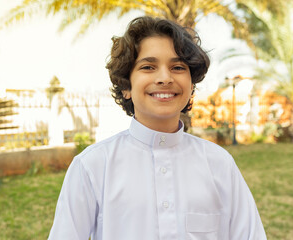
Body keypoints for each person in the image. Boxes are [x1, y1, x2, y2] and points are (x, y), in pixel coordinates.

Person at [48, 16, 266, 240]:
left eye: (178, 67)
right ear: (126, 86)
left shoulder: (219, 164)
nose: (164, 77)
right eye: (148, 66)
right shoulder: (93, 166)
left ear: (191, 85)